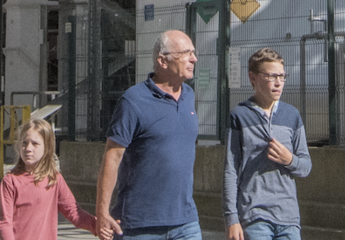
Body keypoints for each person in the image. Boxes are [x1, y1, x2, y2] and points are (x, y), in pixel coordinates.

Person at [95, 29, 200, 240]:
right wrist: (101, 212)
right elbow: (112, 158)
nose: (194, 59)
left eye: (193, 53)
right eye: (186, 53)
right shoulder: (133, 101)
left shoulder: (189, 95)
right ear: (163, 61)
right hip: (140, 224)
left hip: (186, 221)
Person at [221, 48, 311, 240]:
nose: (278, 83)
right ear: (253, 78)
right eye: (271, 76)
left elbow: (305, 167)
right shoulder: (239, 115)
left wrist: (289, 160)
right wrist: (231, 218)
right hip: (254, 216)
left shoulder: (292, 115)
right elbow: (230, 170)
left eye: (282, 76)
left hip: (288, 218)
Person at [0, 117, 100, 240]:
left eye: (35, 143)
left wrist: (99, 226)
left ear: (47, 148)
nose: (28, 149)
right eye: (24, 143)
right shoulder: (11, 181)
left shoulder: (54, 179)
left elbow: (74, 213)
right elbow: (5, 223)